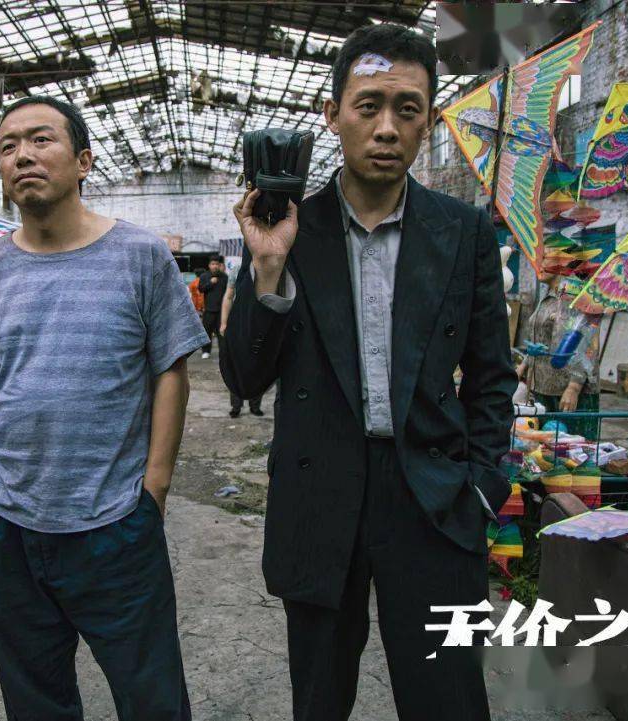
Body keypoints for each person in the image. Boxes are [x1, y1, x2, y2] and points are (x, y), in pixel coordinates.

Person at [222, 25, 516, 721]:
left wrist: (482, 485)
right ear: (333, 115)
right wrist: (268, 267)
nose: (387, 128)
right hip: (320, 492)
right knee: (320, 698)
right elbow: (243, 379)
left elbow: (492, 377)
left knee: (449, 699)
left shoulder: (462, 231)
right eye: (369, 105)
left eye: (407, 109)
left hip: (433, 496)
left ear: (428, 121)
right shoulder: (289, 226)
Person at [0, 95, 206, 720]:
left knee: (152, 698)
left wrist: (155, 488)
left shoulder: (140, 255)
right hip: (3, 524)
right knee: (35, 699)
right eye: (7, 147)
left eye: (41, 140)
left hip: (115, 522)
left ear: (83, 161)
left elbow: (170, 371)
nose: (22, 156)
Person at [518, 270, 600, 439]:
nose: (540, 265)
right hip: (543, 387)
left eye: (546, 258)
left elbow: (588, 342)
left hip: (567, 393)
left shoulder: (575, 293)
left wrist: (574, 387)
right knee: (545, 447)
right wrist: (523, 365)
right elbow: (540, 337)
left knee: (572, 447)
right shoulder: (548, 294)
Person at [218, 266, 264, 418]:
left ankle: (255, 405)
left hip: (260, 325)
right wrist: (224, 322)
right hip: (238, 324)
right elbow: (228, 296)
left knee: (258, 367)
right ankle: (236, 406)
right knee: (236, 367)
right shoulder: (238, 270)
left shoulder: (268, 267)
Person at [197, 255, 227, 359]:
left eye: (217, 264)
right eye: (213, 264)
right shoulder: (204, 276)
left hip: (221, 311)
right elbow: (200, 289)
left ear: (219, 265)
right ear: (209, 265)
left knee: (221, 332)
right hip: (208, 309)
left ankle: (223, 352)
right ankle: (206, 351)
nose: (215, 266)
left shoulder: (224, 277)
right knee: (207, 332)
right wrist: (210, 283)